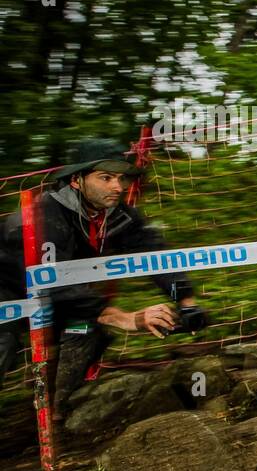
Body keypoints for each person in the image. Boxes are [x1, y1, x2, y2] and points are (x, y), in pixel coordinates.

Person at [0, 139, 207, 415]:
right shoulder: (43, 216)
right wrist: (124, 318)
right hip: (9, 294)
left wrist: (186, 301)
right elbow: (51, 280)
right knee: (4, 345)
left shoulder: (115, 215)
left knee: (87, 331)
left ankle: (61, 412)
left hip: (60, 300)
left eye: (122, 178)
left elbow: (154, 254)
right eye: (106, 178)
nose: (118, 187)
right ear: (76, 180)